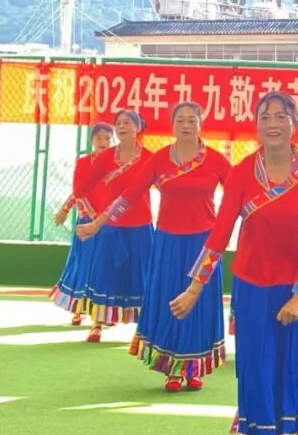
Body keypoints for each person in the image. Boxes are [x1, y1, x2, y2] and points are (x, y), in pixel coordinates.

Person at [169, 92, 298, 435]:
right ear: (256, 125)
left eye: (281, 116)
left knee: (295, 365)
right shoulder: (241, 174)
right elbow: (219, 235)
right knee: (256, 365)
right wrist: (195, 288)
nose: (272, 123)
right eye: (265, 116)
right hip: (252, 286)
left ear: (294, 123)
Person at [79, 102, 231, 392]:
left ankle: (194, 367)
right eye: (180, 120)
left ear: (200, 124)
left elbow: (238, 195)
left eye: (191, 120)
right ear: (172, 125)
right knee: (169, 300)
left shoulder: (215, 160)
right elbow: (129, 196)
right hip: (167, 243)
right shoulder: (160, 159)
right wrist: (97, 223)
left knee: (199, 304)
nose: (186, 125)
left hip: (204, 244)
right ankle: (173, 370)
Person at [74, 109, 154, 342]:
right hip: (110, 225)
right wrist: (93, 211)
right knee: (104, 274)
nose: (122, 126)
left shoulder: (150, 158)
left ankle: (143, 330)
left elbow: (166, 186)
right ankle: (97, 324)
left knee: (140, 277)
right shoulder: (106, 158)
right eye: (118, 123)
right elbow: (82, 188)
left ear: (138, 128)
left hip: (140, 225)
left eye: (127, 122)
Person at [49, 122, 114, 326]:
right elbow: (78, 191)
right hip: (87, 222)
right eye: (98, 138)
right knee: (83, 265)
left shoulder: (118, 162)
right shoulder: (84, 162)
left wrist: (104, 218)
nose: (103, 142)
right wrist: (66, 210)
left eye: (107, 138)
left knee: (105, 268)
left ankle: (104, 313)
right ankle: (79, 309)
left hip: (109, 223)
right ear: (92, 140)